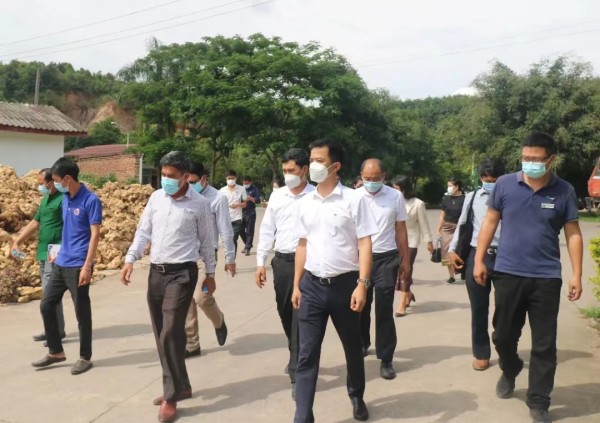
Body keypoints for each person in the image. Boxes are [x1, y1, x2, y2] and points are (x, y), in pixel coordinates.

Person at [474, 132, 583, 423]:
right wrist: (479, 259)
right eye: (525, 158)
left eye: (536, 159)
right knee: (502, 335)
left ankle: (539, 402)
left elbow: (573, 234)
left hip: (546, 277)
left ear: (551, 160)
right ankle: (510, 368)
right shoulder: (505, 184)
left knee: (544, 344)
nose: (529, 163)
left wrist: (577, 274)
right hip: (508, 273)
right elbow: (490, 222)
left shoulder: (564, 190)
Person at [120, 151, 216, 423]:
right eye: (163, 175)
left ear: (185, 177)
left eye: (171, 176)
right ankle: (181, 385)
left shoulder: (199, 205)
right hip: (156, 273)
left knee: (170, 332)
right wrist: (130, 259)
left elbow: (207, 241)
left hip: (182, 274)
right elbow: (143, 231)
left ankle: (170, 396)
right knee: (162, 332)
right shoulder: (156, 198)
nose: (166, 180)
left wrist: (210, 273)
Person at [292, 138, 378, 423]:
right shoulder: (305, 202)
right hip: (312, 286)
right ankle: (303, 416)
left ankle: (356, 395)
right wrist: (296, 284)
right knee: (306, 354)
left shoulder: (354, 200)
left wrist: (362, 284)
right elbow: (302, 244)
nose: (312, 165)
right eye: (311, 160)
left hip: (345, 286)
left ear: (335, 166)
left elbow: (365, 243)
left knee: (353, 348)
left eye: (319, 161)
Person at [31, 158, 102, 376]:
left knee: (82, 313)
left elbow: (95, 235)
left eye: (56, 180)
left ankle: (85, 357)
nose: (54, 184)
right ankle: (56, 352)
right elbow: (66, 229)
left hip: (78, 265)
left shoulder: (90, 200)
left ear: (68, 178)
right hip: (61, 262)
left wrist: (87, 266)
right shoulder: (64, 199)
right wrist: (57, 252)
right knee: (46, 304)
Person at [255, 148, 315, 400]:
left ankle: (296, 371)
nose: (288, 175)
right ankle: (296, 349)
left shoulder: (316, 196)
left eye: (292, 170)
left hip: (309, 264)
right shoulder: (277, 196)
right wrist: (260, 262)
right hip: (282, 263)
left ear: (304, 170)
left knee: (300, 316)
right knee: (285, 312)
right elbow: (267, 229)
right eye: (284, 171)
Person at [447, 159, 506, 372]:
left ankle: (504, 348)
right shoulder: (472, 197)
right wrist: (453, 250)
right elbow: (462, 224)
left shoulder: (511, 196)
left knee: (506, 308)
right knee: (479, 308)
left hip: (505, 257)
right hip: (477, 255)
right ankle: (481, 353)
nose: (490, 183)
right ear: (481, 178)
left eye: (494, 180)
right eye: (486, 179)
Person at [356, 159, 410, 380]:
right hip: (360, 260)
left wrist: (406, 260)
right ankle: (362, 343)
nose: (371, 182)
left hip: (386, 258)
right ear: (361, 176)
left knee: (384, 308)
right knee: (360, 305)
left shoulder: (395, 196)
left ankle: (386, 358)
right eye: (367, 178)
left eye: (376, 178)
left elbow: (401, 229)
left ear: (384, 176)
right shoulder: (354, 197)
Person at [184, 162, 235, 358]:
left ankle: (219, 321)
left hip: (206, 256)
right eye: (186, 181)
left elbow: (225, 229)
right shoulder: (183, 196)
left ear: (203, 179)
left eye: (192, 182)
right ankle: (192, 344)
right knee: (186, 300)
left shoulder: (217, 198)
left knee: (201, 297)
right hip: (185, 254)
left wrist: (230, 258)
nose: (189, 185)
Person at [12, 169, 65, 342]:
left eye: (42, 184)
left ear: (52, 182)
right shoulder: (45, 200)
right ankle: (53, 329)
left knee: (50, 294)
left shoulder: (63, 199)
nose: (39, 187)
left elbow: (71, 225)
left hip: (55, 252)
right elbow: (35, 222)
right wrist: (18, 240)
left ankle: (55, 332)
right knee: (48, 293)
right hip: (42, 252)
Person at [392, 176, 434, 317]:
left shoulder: (418, 204)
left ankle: (402, 304)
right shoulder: (392, 201)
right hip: (394, 240)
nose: (394, 191)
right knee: (396, 270)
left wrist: (429, 241)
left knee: (406, 268)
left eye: (397, 188)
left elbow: (423, 223)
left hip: (411, 240)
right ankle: (408, 294)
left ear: (404, 188)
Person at [436, 178, 465, 284]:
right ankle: (451, 276)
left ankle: (463, 270)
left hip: (460, 227)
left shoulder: (465, 199)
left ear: (457, 187)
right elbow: (442, 214)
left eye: (450, 186)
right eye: (448, 186)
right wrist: (439, 228)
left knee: (460, 250)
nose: (449, 188)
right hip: (447, 227)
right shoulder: (445, 198)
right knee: (446, 251)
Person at [219, 170, 247, 256]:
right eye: (229, 178)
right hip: (225, 219)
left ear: (236, 178)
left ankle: (232, 259)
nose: (230, 180)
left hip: (237, 218)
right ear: (226, 179)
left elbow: (245, 204)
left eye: (232, 178)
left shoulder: (242, 189)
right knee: (227, 240)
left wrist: (237, 205)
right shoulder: (222, 190)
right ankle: (228, 257)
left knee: (233, 239)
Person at [241, 177, 261, 256]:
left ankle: (247, 248)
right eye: (244, 183)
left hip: (251, 212)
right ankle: (247, 243)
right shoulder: (240, 189)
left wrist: (250, 198)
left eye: (247, 183)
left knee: (249, 230)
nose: (245, 185)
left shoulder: (254, 189)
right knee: (240, 229)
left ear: (250, 182)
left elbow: (258, 200)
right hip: (241, 211)